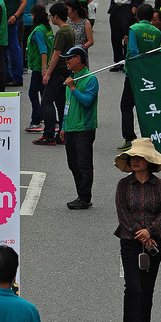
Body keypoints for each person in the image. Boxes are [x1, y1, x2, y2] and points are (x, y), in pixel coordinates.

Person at [114, 138, 161, 322]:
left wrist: (151, 231)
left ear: (149, 161)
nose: (135, 161)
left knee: (147, 287)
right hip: (130, 241)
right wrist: (141, 233)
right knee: (133, 286)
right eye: (132, 157)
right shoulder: (124, 185)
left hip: (154, 243)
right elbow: (122, 213)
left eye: (140, 157)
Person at [59, 45, 99, 210]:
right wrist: (63, 126)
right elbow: (67, 105)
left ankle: (84, 197)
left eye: (69, 58)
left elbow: (87, 102)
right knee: (73, 164)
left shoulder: (90, 79)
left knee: (84, 164)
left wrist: (73, 88)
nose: (67, 61)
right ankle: (80, 195)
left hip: (84, 129)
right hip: (70, 129)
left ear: (79, 59)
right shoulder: (71, 78)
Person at [119, 2, 161, 151]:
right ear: (151, 17)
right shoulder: (157, 32)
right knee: (147, 106)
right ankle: (153, 137)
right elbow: (156, 53)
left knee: (126, 105)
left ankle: (129, 138)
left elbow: (133, 50)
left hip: (133, 75)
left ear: (137, 15)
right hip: (149, 75)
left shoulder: (134, 29)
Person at [33, 1, 74, 146]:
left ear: (56, 16)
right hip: (66, 71)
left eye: (52, 15)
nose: (50, 18)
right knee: (61, 102)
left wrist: (48, 73)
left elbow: (57, 54)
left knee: (46, 101)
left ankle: (49, 134)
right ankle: (62, 133)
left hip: (58, 71)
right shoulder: (69, 30)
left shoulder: (62, 32)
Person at [108, 0, 145, 70]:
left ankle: (127, 61)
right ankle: (117, 62)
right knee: (115, 36)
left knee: (127, 37)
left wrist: (133, 9)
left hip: (128, 10)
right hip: (116, 9)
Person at [25, 5, 54, 132]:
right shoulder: (47, 28)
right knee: (44, 94)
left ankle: (36, 121)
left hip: (39, 66)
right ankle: (47, 118)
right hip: (45, 64)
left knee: (32, 92)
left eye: (32, 14)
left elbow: (43, 50)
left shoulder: (38, 31)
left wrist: (44, 68)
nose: (31, 17)